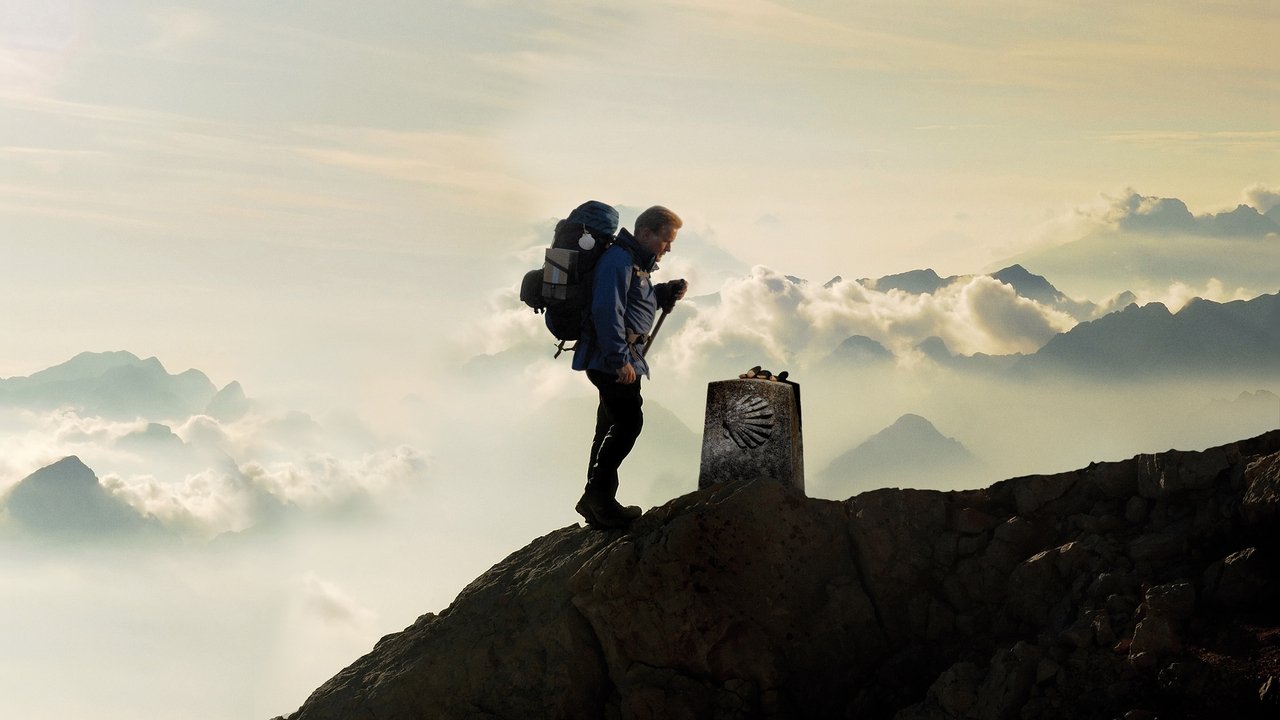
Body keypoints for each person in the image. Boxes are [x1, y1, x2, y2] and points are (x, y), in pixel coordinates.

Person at [572, 205, 688, 529]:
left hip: (616, 356)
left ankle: (595, 501)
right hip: (613, 359)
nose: (668, 248)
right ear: (645, 233)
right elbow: (607, 310)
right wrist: (618, 359)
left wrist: (663, 292)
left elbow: (635, 302)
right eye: (665, 240)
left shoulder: (634, 263)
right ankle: (599, 499)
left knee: (608, 425)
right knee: (629, 422)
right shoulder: (619, 261)